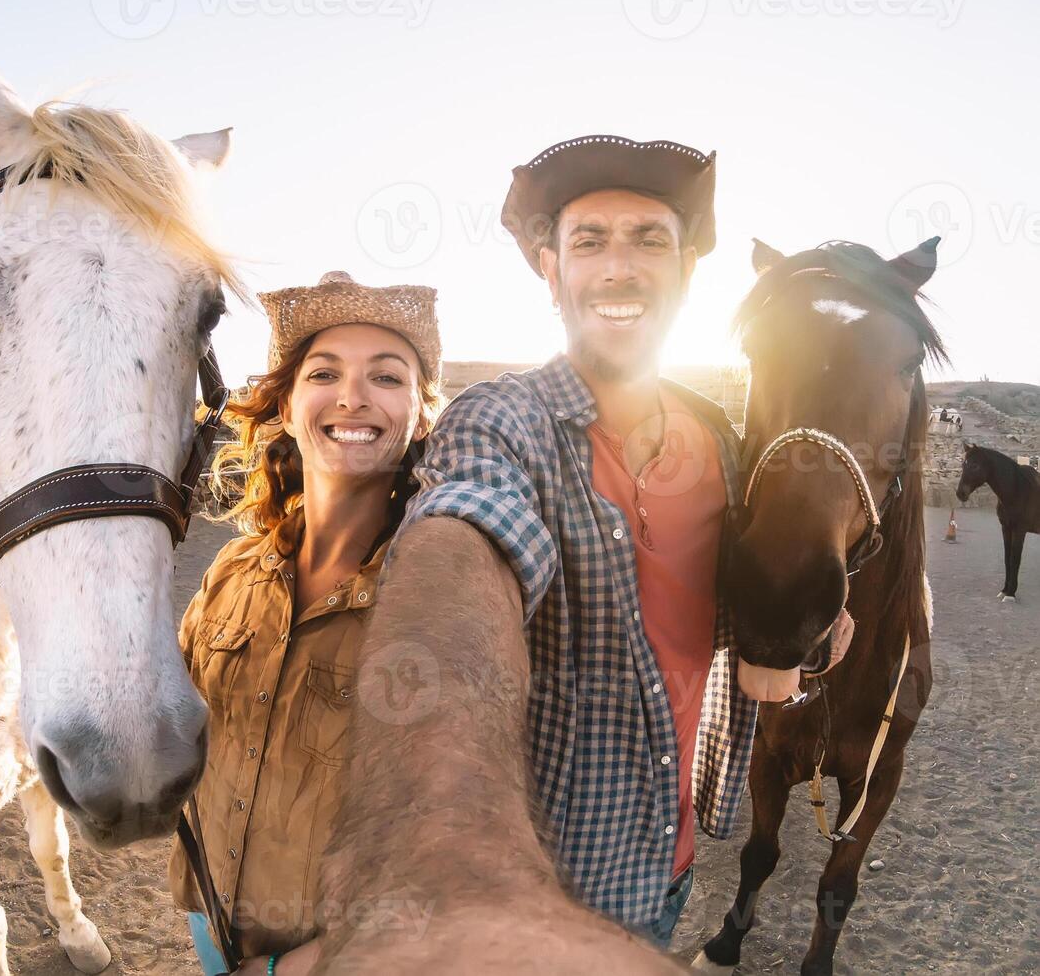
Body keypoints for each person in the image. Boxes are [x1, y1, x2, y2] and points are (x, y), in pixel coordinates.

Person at [325, 135, 792, 954]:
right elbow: (461, 544)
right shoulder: (501, 422)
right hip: (542, 889)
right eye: (588, 241)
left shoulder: (718, 443)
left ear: (686, 271)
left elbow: (706, 619)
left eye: (649, 239)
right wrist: (448, 859)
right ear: (550, 272)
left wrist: (803, 635)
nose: (619, 267)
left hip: (670, 857)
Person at [168, 271, 443, 974]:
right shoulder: (231, 570)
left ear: (418, 416)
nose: (352, 396)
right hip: (211, 913)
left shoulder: (436, 599)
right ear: (287, 407)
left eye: (386, 377)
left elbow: (456, 841)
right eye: (324, 373)